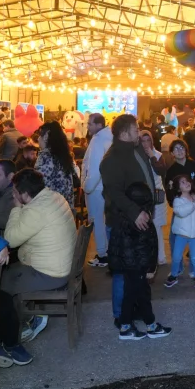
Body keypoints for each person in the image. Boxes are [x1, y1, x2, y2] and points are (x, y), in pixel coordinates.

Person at [0, 169, 76, 365]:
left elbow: (10, 239)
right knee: (12, 271)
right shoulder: (54, 196)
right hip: (64, 266)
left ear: (24, 194)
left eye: (15, 191)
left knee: (1, 286)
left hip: (51, 275)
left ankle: (10, 337)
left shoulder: (35, 210)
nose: (13, 194)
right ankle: (29, 319)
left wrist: (16, 208)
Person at [100, 114, 159, 330]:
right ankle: (120, 316)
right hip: (123, 223)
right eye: (135, 129)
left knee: (136, 270)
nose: (138, 132)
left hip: (138, 221)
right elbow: (114, 193)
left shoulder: (134, 150)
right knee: (122, 271)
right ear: (124, 133)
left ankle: (134, 311)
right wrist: (135, 212)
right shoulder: (112, 159)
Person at [109, 180, 172, 340]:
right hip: (136, 266)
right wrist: (150, 268)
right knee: (137, 295)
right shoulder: (141, 220)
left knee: (136, 294)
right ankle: (136, 327)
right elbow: (145, 248)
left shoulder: (124, 215)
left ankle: (142, 325)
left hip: (130, 265)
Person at [82, 113, 113, 268]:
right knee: (104, 221)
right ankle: (107, 252)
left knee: (97, 221)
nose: (87, 126)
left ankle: (102, 254)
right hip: (105, 187)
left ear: (99, 125)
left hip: (95, 188)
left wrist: (87, 186)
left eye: (90, 124)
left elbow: (95, 167)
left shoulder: (99, 140)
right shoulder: (109, 137)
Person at [140, 130, 169, 266]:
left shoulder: (157, 155)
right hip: (143, 196)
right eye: (143, 141)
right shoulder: (137, 155)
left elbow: (161, 171)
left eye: (148, 140)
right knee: (144, 227)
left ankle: (160, 256)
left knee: (157, 227)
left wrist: (152, 157)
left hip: (157, 195)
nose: (146, 144)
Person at [35, 121, 76, 208]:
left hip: (51, 208)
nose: (38, 139)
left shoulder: (46, 157)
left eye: (40, 135)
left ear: (46, 136)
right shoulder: (63, 155)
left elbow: (40, 184)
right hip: (65, 207)